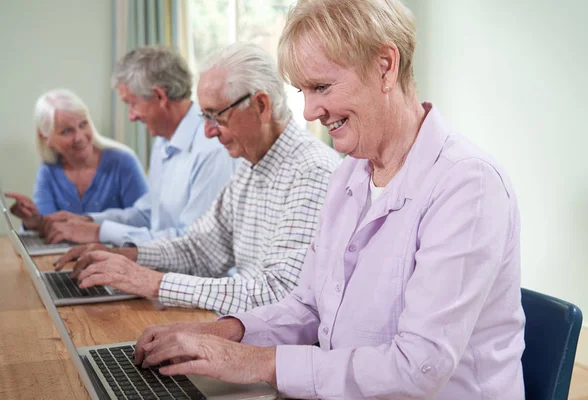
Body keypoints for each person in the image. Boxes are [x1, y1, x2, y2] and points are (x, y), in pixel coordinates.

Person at [130, 1, 527, 399]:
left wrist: (257, 362)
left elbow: (417, 368)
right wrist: (221, 332)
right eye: (303, 91)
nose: (309, 110)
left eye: (321, 87)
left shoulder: (467, 185)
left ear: (385, 66)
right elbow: (308, 306)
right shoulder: (350, 175)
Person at [55, 43, 341, 316]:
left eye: (216, 117)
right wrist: (127, 257)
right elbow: (201, 249)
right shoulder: (250, 165)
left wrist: (153, 283)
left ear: (261, 106)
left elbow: (278, 293)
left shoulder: (312, 172)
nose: (208, 132)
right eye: (204, 117)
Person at [40, 46, 238, 246]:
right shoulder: (163, 141)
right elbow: (148, 214)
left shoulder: (210, 149)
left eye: (132, 104)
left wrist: (100, 232)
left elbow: (195, 243)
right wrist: (88, 221)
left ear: (160, 97)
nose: (131, 117)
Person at [6, 89, 147, 239]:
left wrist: (87, 224)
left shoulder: (123, 162)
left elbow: (146, 220)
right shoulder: (48, 171)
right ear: (46, 137)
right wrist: (33, 221)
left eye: (83, 124)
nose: (79, 137)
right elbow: (48, 229)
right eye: (67, 131)